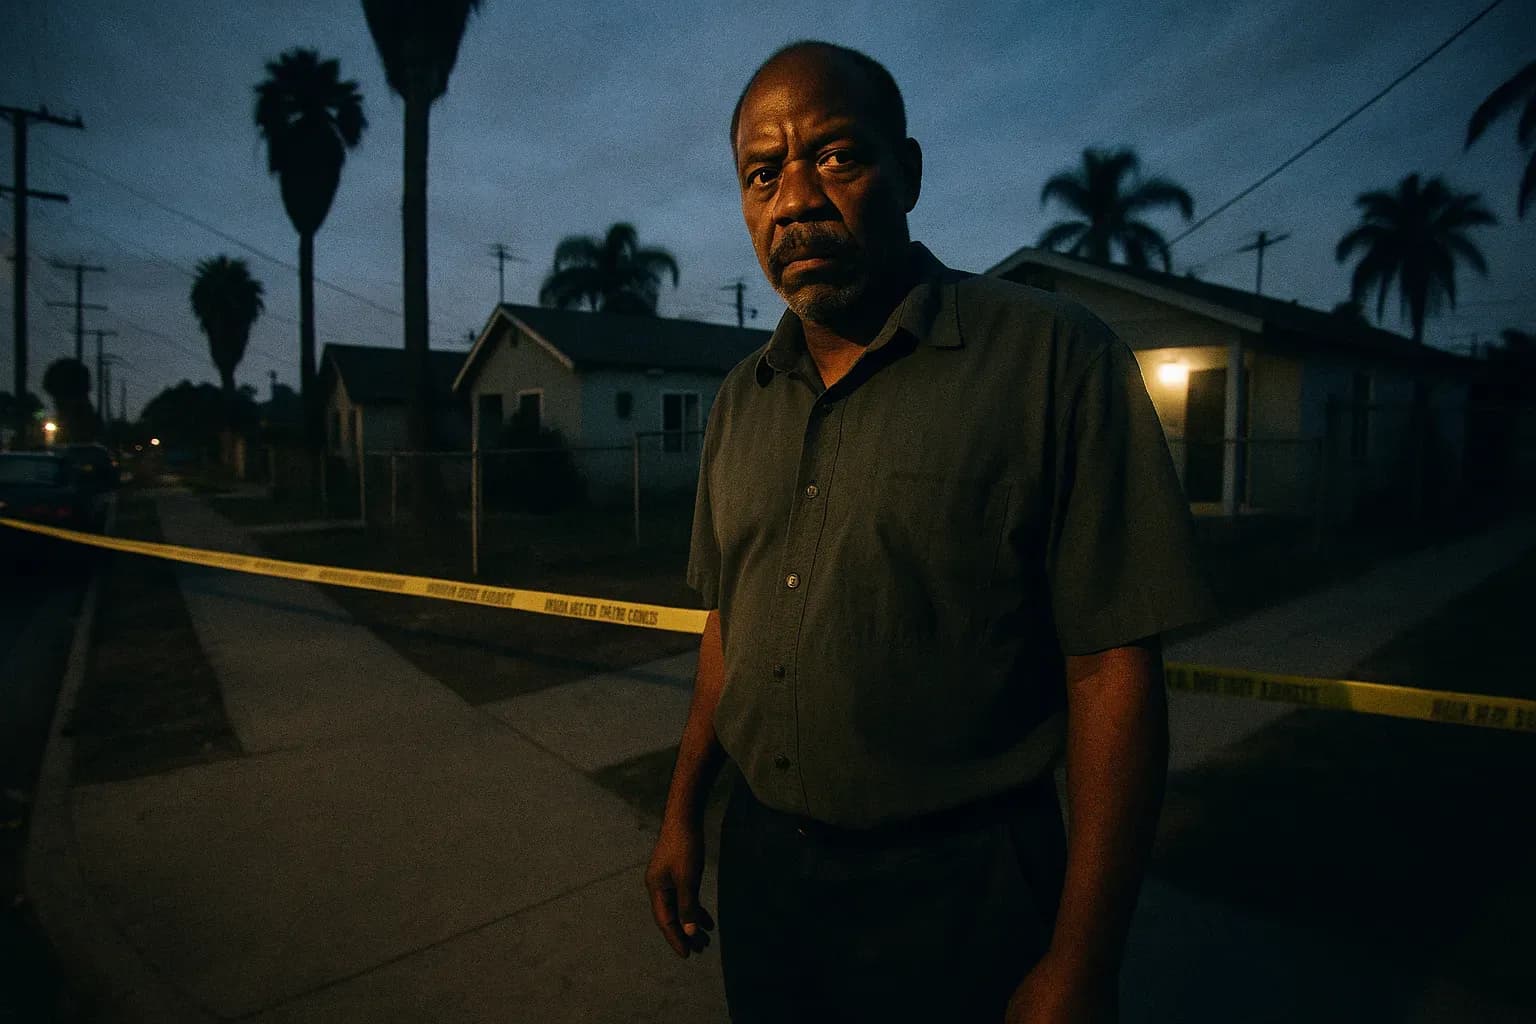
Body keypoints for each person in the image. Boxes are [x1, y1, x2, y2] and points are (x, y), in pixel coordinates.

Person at [645, 39, 1216, 1024]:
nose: (796, 199)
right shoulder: (741, 400)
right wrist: (683, 808)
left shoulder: (1052, 360)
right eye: (762, 172)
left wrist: (1084, 959)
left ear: (907, 171)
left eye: (835, 156)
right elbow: (726, 630)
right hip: (769, 877)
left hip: (966, 894)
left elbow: (1113, 669)